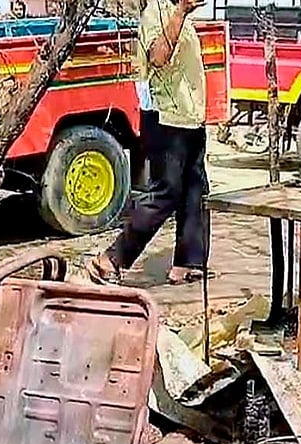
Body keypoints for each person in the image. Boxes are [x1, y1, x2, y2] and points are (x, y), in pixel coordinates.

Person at [89, 0, 209, 285]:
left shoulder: (180, 13)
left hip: (190, 118)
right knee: (165, 194)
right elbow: (158, 57)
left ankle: (188, 262)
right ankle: (111, 259)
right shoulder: (156, 12)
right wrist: (180, 12)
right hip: (166, 120)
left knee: (196, 191)